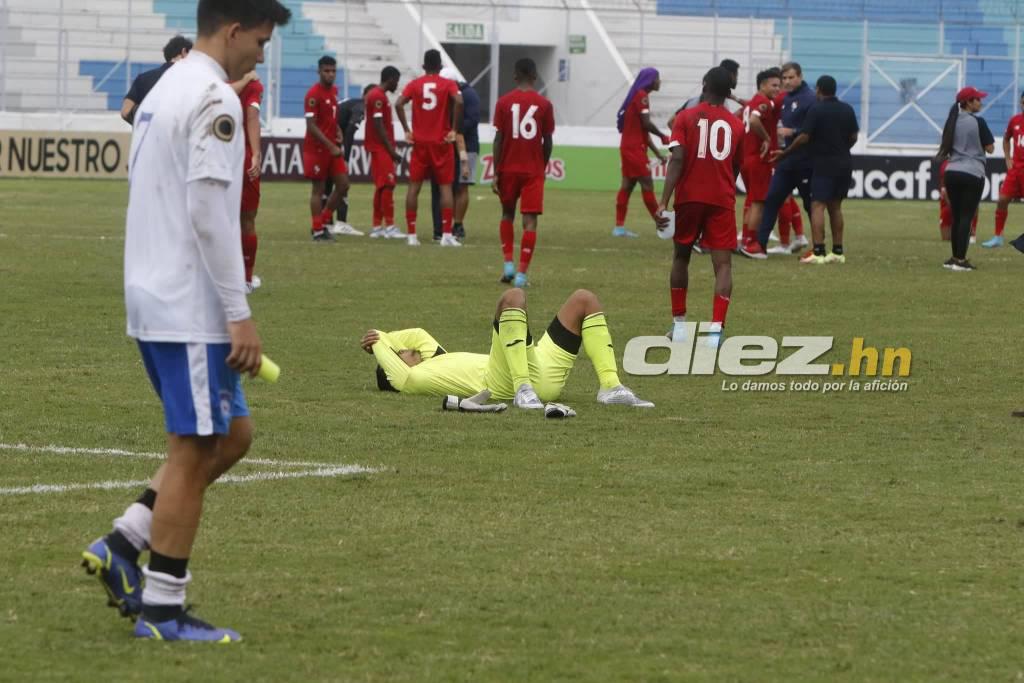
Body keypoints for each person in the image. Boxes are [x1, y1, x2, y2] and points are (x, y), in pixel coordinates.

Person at [81, 0, 291, 643]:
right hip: (187, 304)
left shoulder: (166, 87)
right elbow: (207, 213)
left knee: (232, 434)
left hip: (153, 292)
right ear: (233, 30)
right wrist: (238, 313)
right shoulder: (213, 97)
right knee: (194, 447)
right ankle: (163, 610)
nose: (262, 55)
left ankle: (124, 544)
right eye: (260, 41)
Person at [361, 287, 654, 409]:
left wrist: (387, 336)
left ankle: (611, 387)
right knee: (513, 297)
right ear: (394, 369)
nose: (407, 349)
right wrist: (380, 343)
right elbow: (388, 352)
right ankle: (523, 389)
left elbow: (418, 335)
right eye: (401, 353)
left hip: (537, 364)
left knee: (584, 299)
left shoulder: (437, 359)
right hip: (504, 381)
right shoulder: (410, 380)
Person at [655, 66, 743, 347]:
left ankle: (679, 326)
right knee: (723, 264)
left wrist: (663, 201)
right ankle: (716, 330)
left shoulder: (685, 117)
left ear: (704, 85)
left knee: (681, 258)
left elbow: (677, 159)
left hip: (689, 198)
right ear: (728, 92)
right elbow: (736, 166)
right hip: (721, 200)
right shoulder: (736, 124)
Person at [771, 75, 859, 264]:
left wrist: (785, 153)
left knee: (817, 205)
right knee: (835, 207)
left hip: (823, 163)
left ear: (818, 89)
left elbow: (804, 137)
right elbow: (854, 136)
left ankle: (818, 251)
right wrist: (842, 149)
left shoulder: (816, 109)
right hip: (844, 163)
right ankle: (837, 252)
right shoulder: (847, 109)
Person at [492, 58, 555, 288]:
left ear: (515, 76)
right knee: (530, 222)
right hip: (532, 171)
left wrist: (496, 172)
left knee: (507, 214)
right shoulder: (544, 104)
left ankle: (508, 263)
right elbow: (547, 141)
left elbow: (498, 139)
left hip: (508, 168)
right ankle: (521, 275)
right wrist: (542, 166)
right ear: (535, 77)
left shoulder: (503, 102)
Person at [395, 49, 464, 247]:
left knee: (413, 188)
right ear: (440, 67)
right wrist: (454, 129)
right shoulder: (448, 84)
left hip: (420, 143)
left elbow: (398, 104)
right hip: (441, 142)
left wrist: (407, 130)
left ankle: (411, 235)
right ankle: (447, 235)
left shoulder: (415, 84)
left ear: (424, 66)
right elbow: (459, 101)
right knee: (445, 188)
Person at [754, 62, 816, 254]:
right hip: (786, 160)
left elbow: (816, 129)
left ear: (800, 76)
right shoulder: (785, 98)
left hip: (805, 161)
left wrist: (793, 131)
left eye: (791, 77)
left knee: (810, 205)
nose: (787, 82)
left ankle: (818, 247)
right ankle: (760, 245)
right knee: (772, 199)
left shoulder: (810, 98)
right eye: (784, 78)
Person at [935, 86, 994, 271]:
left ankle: (954, 258)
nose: (980, 102)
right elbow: (990, 148)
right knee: (967, 217)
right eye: (978, 99)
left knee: (957, 216)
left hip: (952, 171)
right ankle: (961, 260)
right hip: (972, 172)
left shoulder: (952, 120)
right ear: (968, 102)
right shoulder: (978, 122)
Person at [304, 55, 357, 241]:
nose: (330, 74)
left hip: (332, 147)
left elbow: (330, 118)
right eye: (326, 71)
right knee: (318, 190)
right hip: (317, 149)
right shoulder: (313, 94)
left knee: (343, 185)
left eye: (333, 71)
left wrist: (338, 131)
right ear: (319, 71)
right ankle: (318, 230)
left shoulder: (334, 91)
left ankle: (324, 220)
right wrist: (330, 145)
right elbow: (311, 125)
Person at [613, 67, 670, 238]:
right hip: (634, 150)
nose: (659, 81)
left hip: (629, 147)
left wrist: (658, 154)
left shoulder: (638, 96)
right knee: (647, 184)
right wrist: (663, 136)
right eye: (657, 78)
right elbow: (646, 124)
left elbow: (643, 131)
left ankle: (619, 228)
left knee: (627, 185)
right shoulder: (642, 96)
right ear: (650, 80)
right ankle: (662, 226)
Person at [430, 68, 480, 242]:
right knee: (447, 186)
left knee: (462, 186)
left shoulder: (469, 95)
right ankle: (445, 225)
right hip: (449, 144)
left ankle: (458, 224)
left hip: (469, 145)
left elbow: (473, 120)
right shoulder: (447, 94)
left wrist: (452, 129)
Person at [738, 68, 781, 258]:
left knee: (753, 200)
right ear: (763, 85)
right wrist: (767, 138)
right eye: (774, 85)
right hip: (759, 159)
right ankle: (751, 243)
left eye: (778, 85)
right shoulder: (763, 103)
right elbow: (754, 121)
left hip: (747, 158)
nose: (777, 89)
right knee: (759, 202)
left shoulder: (752, 102)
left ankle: (745, 241)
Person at [324, 83, 372, 233]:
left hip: (325, 140)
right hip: (332, 143)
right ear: (366, 96)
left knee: (328, 184)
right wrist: (346, 158)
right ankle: (340, 222)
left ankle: (327, 224)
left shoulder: (351, 102)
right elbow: (350, 131)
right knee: (342, 183)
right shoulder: (360, 107)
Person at [364, 67, 405, 240]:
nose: (397, 85)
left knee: (382, 186)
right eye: (397, 81)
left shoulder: (378, 95)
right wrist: (391, 151)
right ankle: (389, 226)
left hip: (380, 147)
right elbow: (378, 125)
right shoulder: (378, 96)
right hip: (380, 148)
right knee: (388, 185)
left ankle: (376, 227)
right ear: (390, 79)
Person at [121, 35, 193, 125]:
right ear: (184, 52)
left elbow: (125, 112)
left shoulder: (143, 78)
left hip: (147, 132)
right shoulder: (193, 80)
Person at [234, 71, 264, 291]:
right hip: (242, 155)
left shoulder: (214, 76)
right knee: (247, 220)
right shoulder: (252, 84)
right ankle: (245, 279)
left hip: (215, 154)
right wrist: (255, 153)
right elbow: (252, 115)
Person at [985, 92, 1024, 248]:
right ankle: (998, 237)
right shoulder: (1015, 120)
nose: (1023, 105)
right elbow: (1006, 139)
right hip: (1015, 171)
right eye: (1023, 102)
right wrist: (1008, 158)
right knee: (1002, 200)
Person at [938, 159, 978, 241]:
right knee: (947, 239)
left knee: (974, 203)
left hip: (964, 206)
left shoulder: (971, 165)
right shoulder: (946, 165)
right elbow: (944, 191)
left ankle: (971, 231)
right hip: (948, 206)